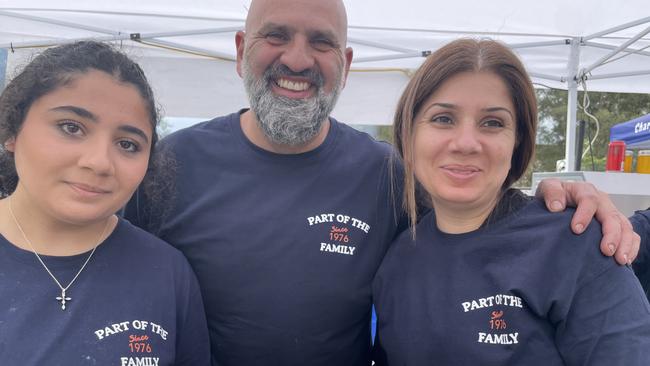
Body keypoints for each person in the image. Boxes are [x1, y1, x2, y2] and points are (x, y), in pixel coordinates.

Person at [124, 0, 643, 364]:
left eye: (322, 42)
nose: (299, 59)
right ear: (241, 49)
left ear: (345, 64)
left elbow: (479, 213)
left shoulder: (388, 175)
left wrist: (564, 198)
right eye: (276, 35)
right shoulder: (167, 167)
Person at [372, 38, 650, 365]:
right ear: (409, 132)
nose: (465, 143)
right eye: (443, 118)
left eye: (493, 123)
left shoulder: (576, 245)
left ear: (517, 140)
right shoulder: (397, 258)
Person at [0, 41, 210, 365]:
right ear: (12, 131)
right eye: (71, 127)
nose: (100, 162)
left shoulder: (167, 273)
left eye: (127, 144)